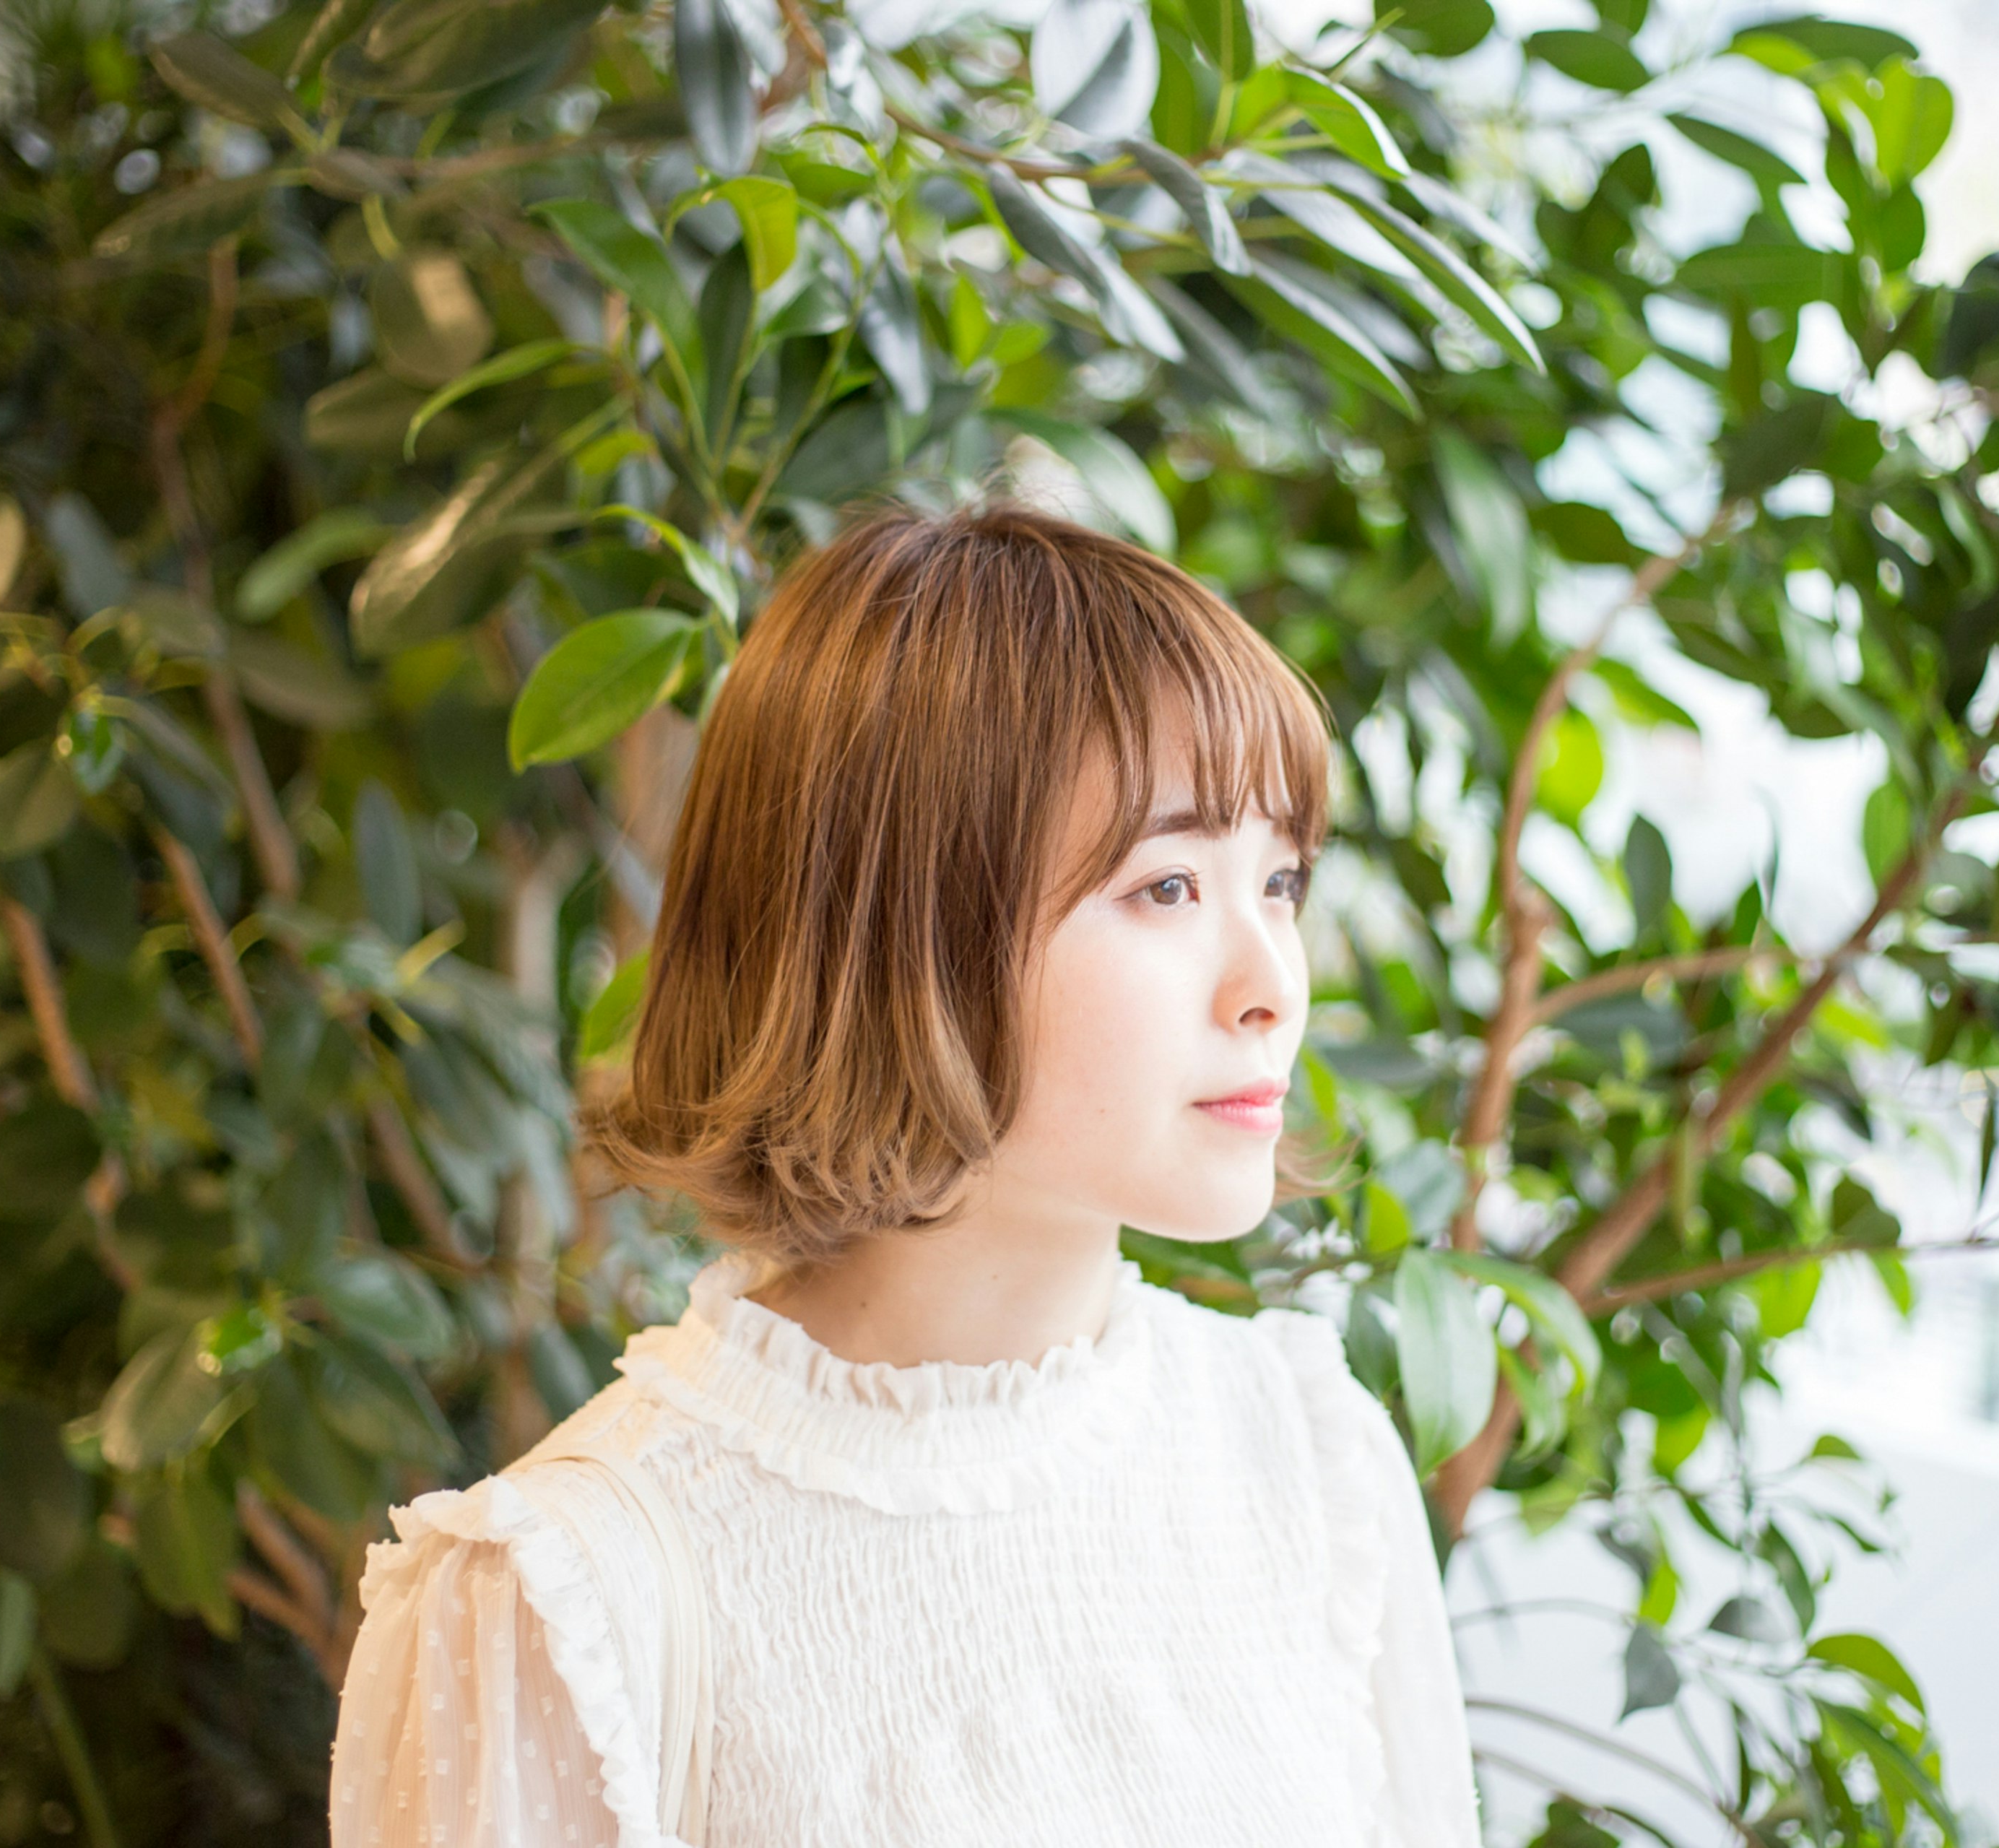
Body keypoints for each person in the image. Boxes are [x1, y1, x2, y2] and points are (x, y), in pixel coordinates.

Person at [326, 506, 1483, 1847]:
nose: (1271, 982)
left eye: (1277, 881)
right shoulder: (574, 1600)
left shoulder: (1307, 1458)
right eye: (1166, 888)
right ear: (902, 939)